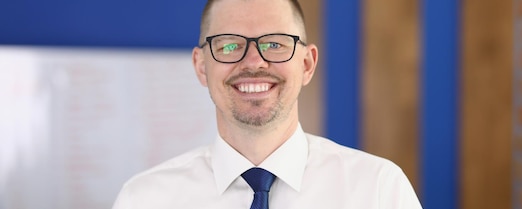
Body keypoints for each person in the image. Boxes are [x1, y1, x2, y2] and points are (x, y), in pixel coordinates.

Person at [112, 0, 422, 208]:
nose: (254, 61)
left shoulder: (378, 191)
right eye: (230, 44)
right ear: (201, 66)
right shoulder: (144, 199)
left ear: (307, 64)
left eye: (274, 43)